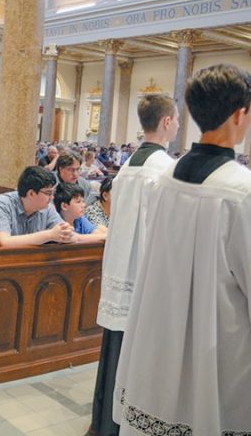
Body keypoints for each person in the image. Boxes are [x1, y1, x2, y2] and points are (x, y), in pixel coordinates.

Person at [113, 65, 251, 435]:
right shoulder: (248, 192)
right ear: (241, 112)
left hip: (159, 340)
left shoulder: (166, 178)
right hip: (222, 352)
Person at [87, 93, 179, 436]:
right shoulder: (165, 170)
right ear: (167, 122)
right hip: (144, 277)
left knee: (114, 350)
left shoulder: (126, 168)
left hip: (119, 272)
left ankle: (104, 423)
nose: (178, 124)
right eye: (177, 119)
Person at [0, 166, 76, 247]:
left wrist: (66, 234)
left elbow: (69, 235)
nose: (52, 198)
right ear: (31, 193)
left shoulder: (47, 208)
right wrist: (49, 235)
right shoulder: (2, 204)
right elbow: (2, 242)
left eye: (53, 193)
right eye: (48, 193)